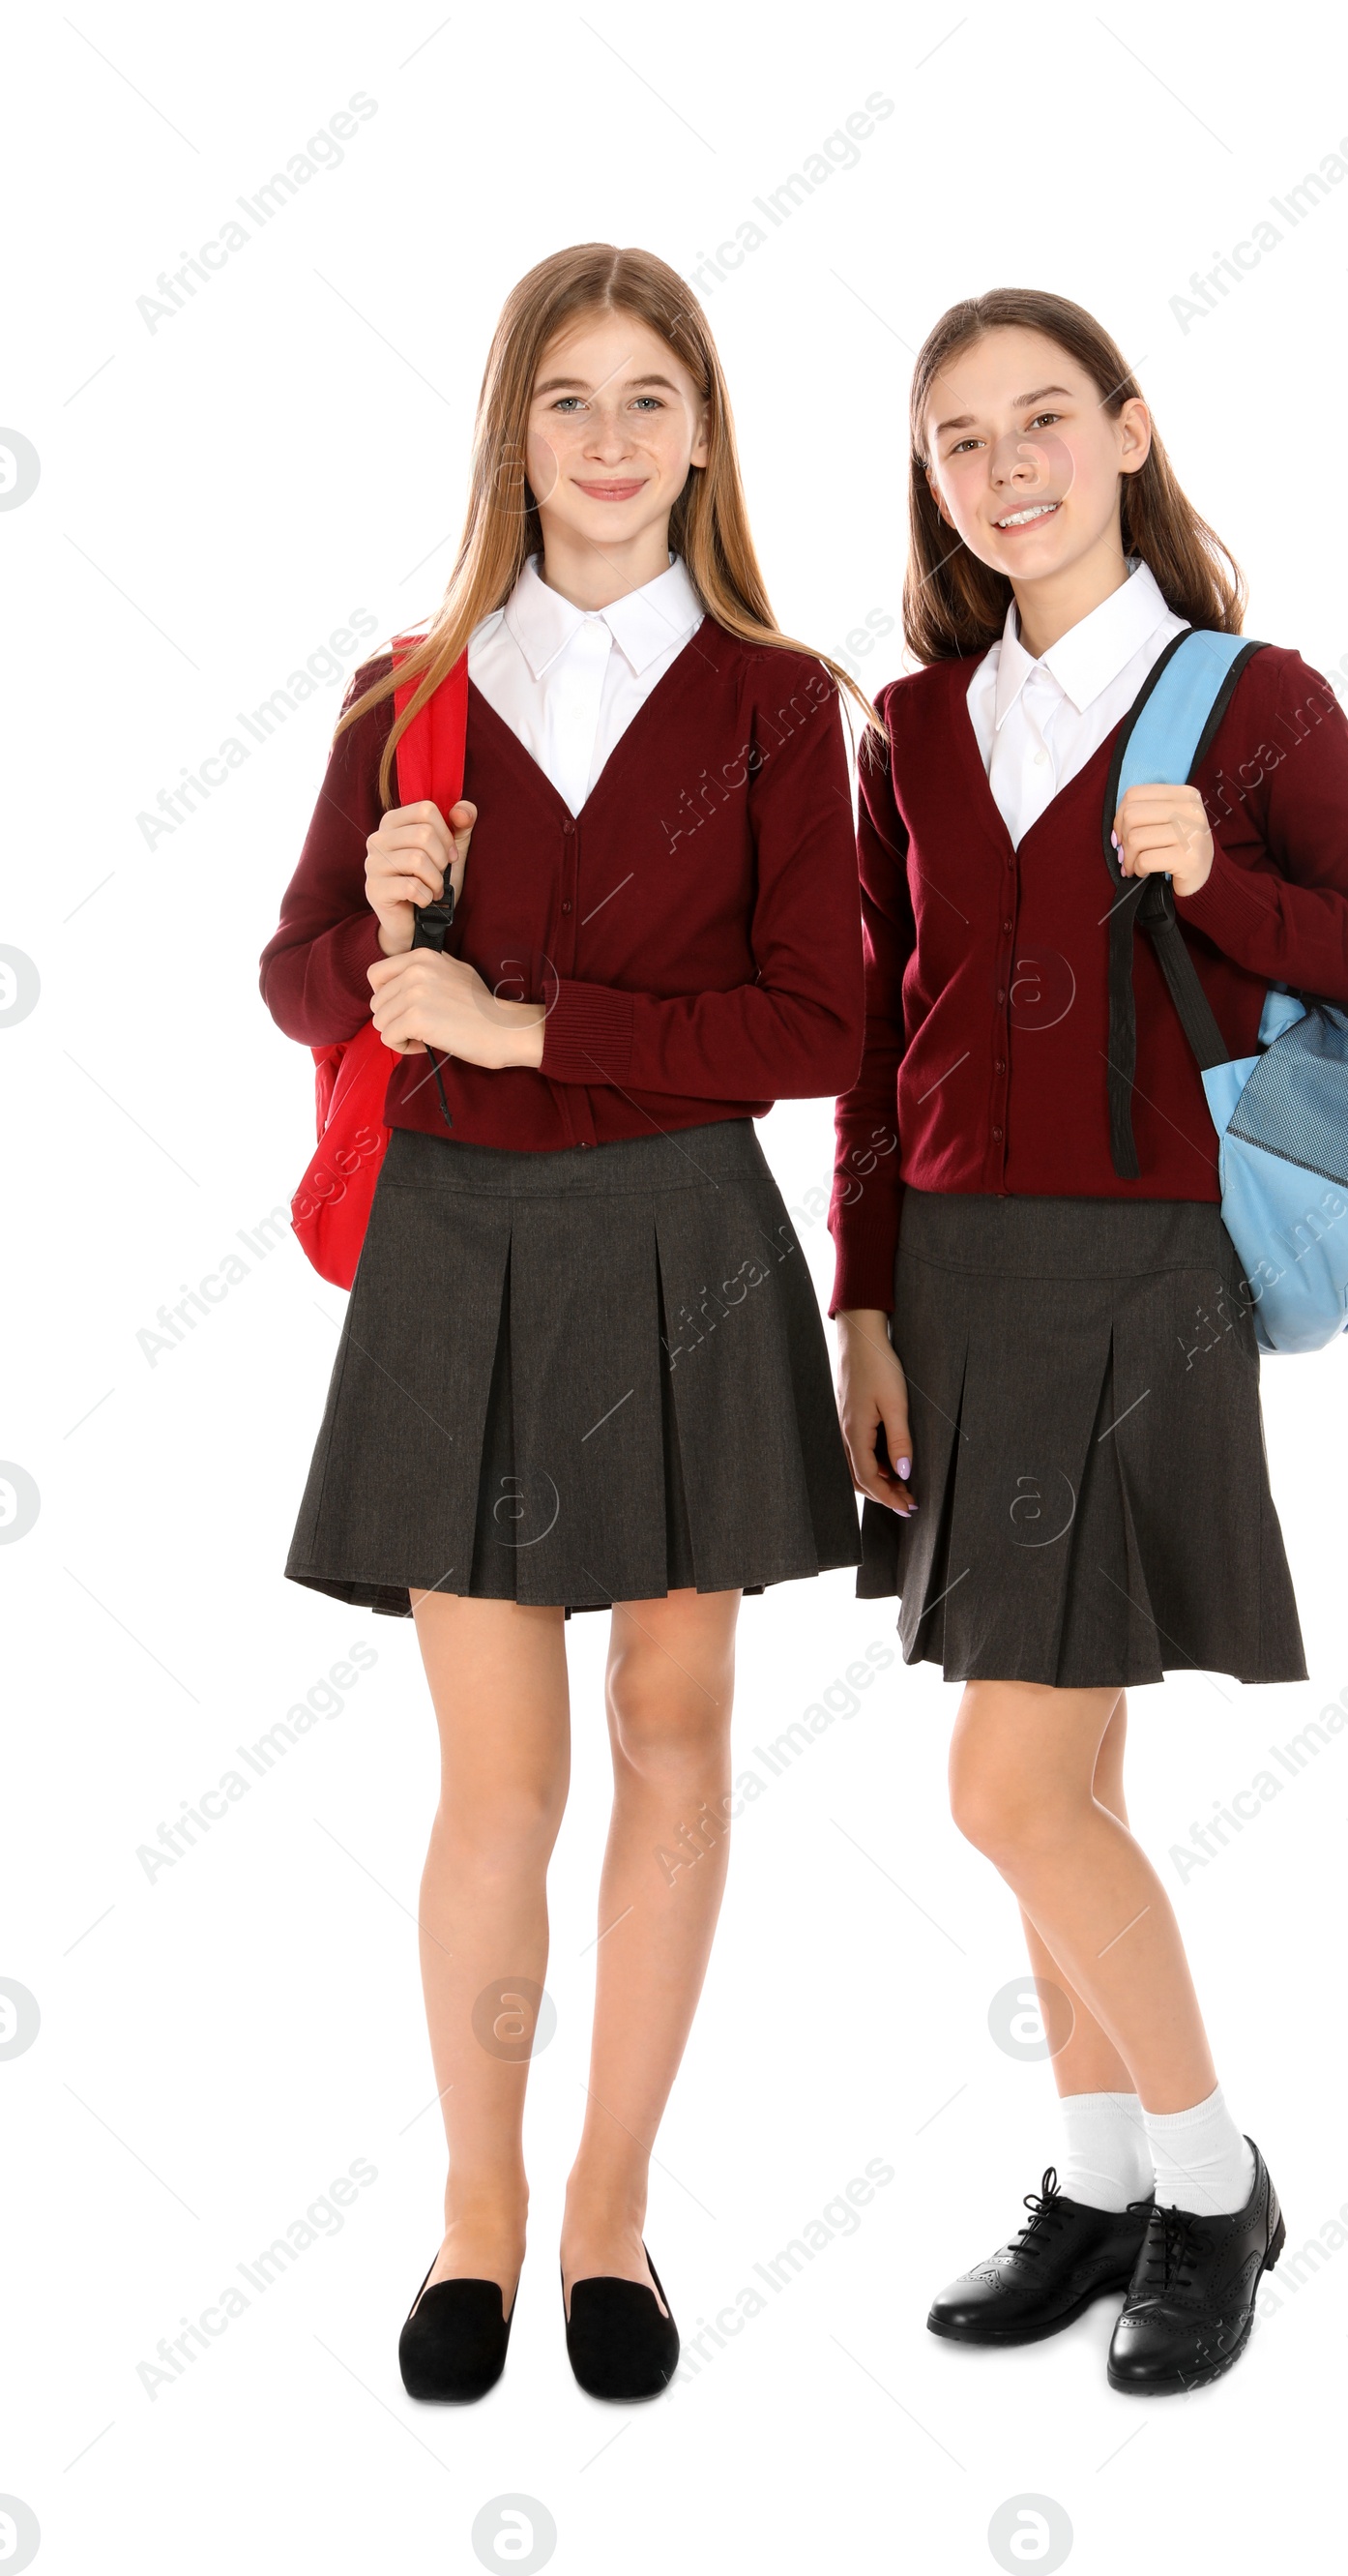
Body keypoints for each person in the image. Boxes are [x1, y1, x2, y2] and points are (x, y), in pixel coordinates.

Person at [829, 287, 1348, 2394]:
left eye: (1038, 422)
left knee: (1002, 1783)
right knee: (1065, 1763)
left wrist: (1225, 887)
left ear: (1122, 431)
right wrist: (857, 1297)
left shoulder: (1242, 700)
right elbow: (869, 1045)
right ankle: (1097, 2174)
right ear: (929, 481)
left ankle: (1210, 2184)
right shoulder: (912, 727)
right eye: (955, 440)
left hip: (1136, 1277)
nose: (1002, 468)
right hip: (956, 1287)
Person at [259, 244, 866, 2406]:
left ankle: (607, 2206)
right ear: (511, 432)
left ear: (702, 432)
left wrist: (522, 1024)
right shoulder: (399, 689)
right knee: (494, 1774)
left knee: (676, 1729)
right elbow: (300, 984)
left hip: (685, 1242)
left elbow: (807, 1027)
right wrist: (384, 923)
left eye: (645, 398)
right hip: (459, 1242)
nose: (606, 441)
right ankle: (477, 2207)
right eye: (565, 400)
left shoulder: (788, 701)